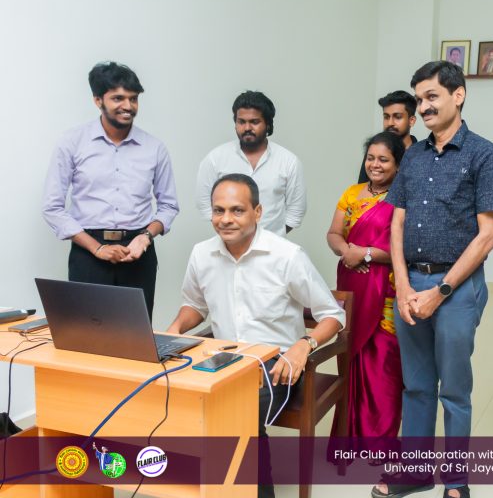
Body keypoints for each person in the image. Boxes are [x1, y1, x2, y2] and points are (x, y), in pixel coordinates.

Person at [372, 61, 493, 498]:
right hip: (411, 283)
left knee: (454, 389)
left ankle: (456, 481)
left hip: (457, 289)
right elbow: (397, 223)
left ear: (458, 95)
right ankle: (414, 473)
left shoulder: (485, 155)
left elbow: (488, 236)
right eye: (420, 99)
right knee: (415, 385)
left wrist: (441, 290)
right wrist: (403, 284)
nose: (424, 106)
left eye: (432, 96)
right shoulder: (412, 155)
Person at [168, 173, 344, 498]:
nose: (226, 219)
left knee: (238, 413)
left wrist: (304, 345)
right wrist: (174, 330)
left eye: (237, 210)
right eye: (218, 210)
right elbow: (195, 306)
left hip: (277, 365)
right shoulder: (202, 254)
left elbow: (333, 315)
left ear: (258, 212)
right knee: (176, 399)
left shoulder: (287, 256)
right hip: (222, 360)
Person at [42, 61, 179, 319]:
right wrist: (97, 248)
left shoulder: (154, 148)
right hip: (88, 253)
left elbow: (169, 205)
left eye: (133, 98)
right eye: (118, 98)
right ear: (98, 100)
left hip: (138, 252)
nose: (128, 106)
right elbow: (52, 207)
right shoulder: (72, 142)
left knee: (134, 335)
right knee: (85, 332)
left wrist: (145, 237)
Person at [328, 131, 405, 445]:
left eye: (383, 159)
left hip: (386, 291)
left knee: (384, 362)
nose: (375, 164)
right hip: (351, 287)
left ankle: (380, 441)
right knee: (350, 357)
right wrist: (347, 251)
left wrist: (368, 254)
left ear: (397, 165)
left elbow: (405, 249)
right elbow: (333, 233)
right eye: (370, 158)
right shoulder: (352, 193)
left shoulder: (403, 198)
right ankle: (348, 437)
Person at [196, 91, 306, 236]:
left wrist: (271, 239)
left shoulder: (289, 162)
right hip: (228, 245)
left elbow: (295, 211)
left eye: (254, 122)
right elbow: (205, 205)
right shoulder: (215, 159)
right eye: (241, 122)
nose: (247, 128)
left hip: (273, 247)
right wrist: (231, 233)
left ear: (268, 124)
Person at [358, 91, 417, 183]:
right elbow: (363, 186)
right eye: (386, 117)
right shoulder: (375, 150)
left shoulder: (421, 155)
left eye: (397, 117)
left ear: (411, 121)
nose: (390, 123)